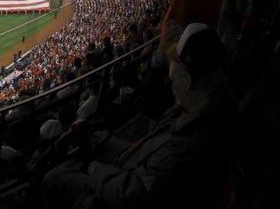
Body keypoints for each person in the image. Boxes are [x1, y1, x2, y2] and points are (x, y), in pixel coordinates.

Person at [41, 23, 235, 209]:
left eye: (171, 69)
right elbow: (148, 109)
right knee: (96, 138)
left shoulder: (185, 147)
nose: (168, 78)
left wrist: (94, 168)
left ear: (186, 81)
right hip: (138, 161)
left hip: (125, 184)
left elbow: (131, 195)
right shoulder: (202, 105)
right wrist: (96, 138)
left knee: (52, 178)